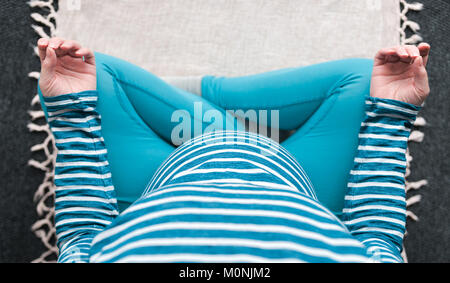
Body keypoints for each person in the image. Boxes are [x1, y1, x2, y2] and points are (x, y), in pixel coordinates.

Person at [36, 37, 430, 263]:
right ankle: (216, 99)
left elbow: (83, 235)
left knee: (84, 74)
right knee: (369, 82)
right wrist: (392, 115)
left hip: (162, 177)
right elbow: (376, 237)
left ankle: (208, 104)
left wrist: (71, 114)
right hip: (299, 179)